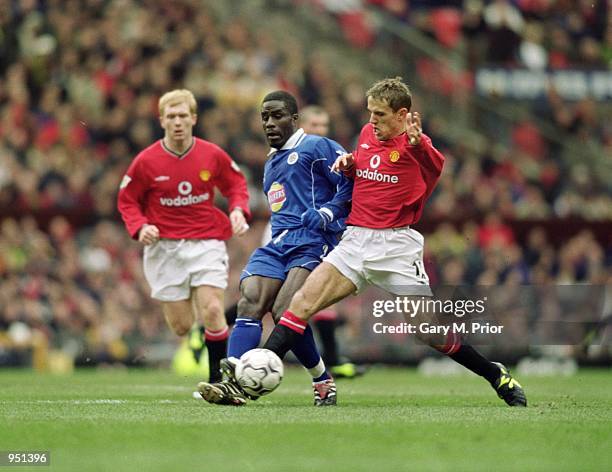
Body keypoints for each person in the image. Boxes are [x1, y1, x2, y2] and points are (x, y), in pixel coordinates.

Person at [262, 77, 527, 407]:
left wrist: (417, 145)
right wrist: (349, 164)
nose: (372, 121)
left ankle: (494, 374)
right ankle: (254, 372)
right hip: (355, 241)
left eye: (380, 115)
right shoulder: (366, 134)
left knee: (429, 333)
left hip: (396, 249)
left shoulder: (420, 148)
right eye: (370, 112)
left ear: (402, 114)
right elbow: (363, 163)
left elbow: (434, 165)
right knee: (299, 305)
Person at [197, 91, 353, 406]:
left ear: (295, 119)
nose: (270, 123)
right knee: (249, 301)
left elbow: (352, 183)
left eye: (277, 115)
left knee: (286, 311)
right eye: (265, 117)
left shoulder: (317, 145)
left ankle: (322, 380)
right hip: (278, 243)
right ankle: (234, 381)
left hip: (314, 240)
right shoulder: (271, 163)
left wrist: (328, 214)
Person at [117, 89, 250, 383]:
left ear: (193, 118)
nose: (177, 122)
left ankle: (219, 382)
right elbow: (127, 200)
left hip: (206, 242)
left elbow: (236, 186)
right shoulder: (146, 161)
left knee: (214, 308)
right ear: (162, 120)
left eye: (182, 116)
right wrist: (140, 227)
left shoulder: (212, 154)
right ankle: (198, 329)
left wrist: (238, 210)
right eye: (171, 116)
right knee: (181, 326)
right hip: (164, 248)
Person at [298, 105, 366, 379]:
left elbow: (347, 188)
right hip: (289, 230)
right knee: (271, 296)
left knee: (319, 295)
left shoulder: (332, 155)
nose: (320, 131)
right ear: (300, 126)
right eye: (314, 125)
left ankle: (330, 361)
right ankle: (221, 329)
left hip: (323, 230)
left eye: (324, 125)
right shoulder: (290, 153)